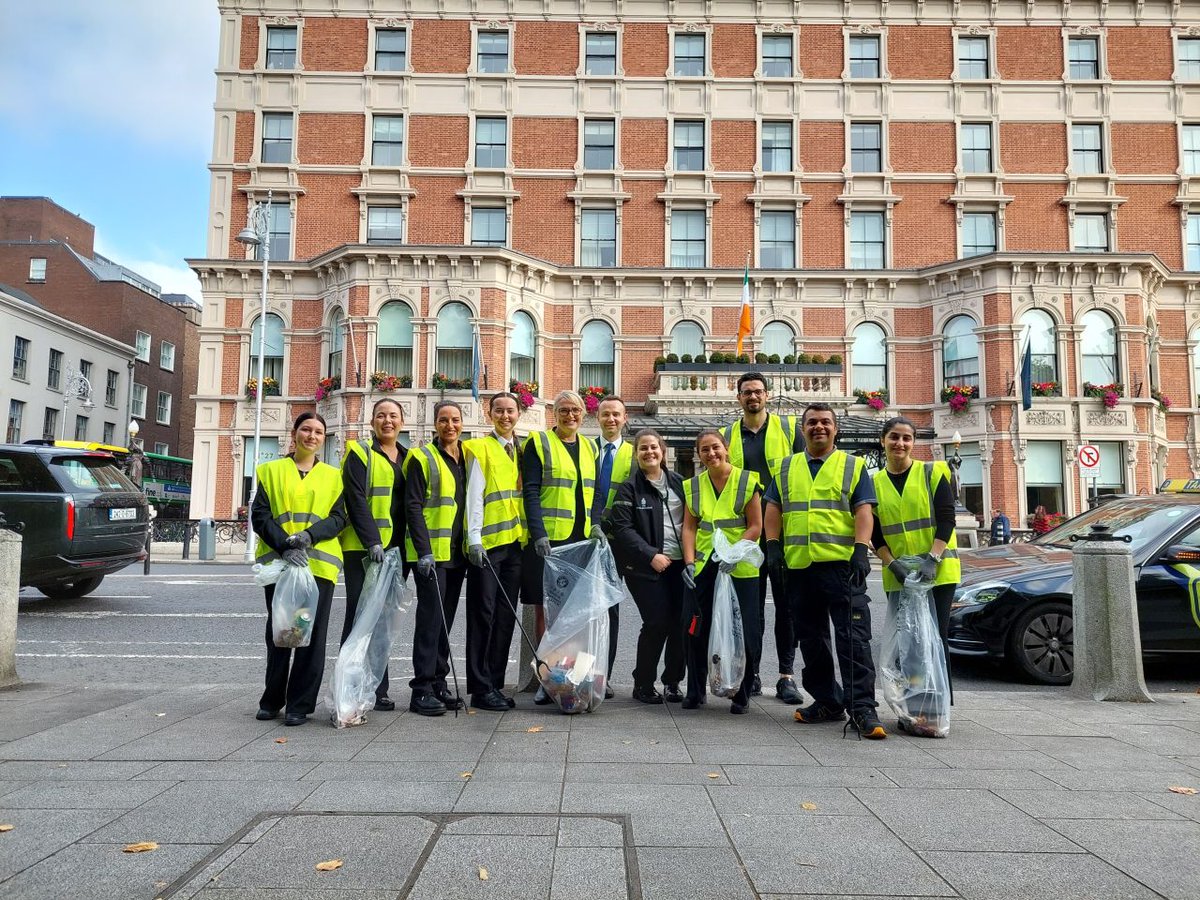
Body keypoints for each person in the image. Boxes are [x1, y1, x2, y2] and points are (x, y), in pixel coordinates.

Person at [764, 402, 886, 739]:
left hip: (841, 566)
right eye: (812, 422)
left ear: (836, 429)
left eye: (826, 422)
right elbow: (773, 507)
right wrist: (772, 544)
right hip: (800, 566)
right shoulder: (786, 467)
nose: (819, 427)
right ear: (803, 429)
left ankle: (862, 708)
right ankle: (828, 701)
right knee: (811, 640)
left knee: (853, 639)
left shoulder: (852, 465)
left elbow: (864, 510)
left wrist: (860, 549)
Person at [252, 411, 347, 727]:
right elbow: (261, 516)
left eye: (318, 431)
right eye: (306, 429)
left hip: (318, 566)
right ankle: (272, 700)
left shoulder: (334, 476)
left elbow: (339, 518)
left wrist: (308, 537)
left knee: (311, 636)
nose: (312, 436)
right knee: (281, 633)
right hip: (280, 564)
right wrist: (286, 546)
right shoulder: (270, 471)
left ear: (323, 438)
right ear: (294, 433)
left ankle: (299, 705)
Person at [869, 416, 959, 734]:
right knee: (907, 645)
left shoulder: (933, 472)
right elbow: (875, 533)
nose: (900, 443)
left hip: (938, 573)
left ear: (913, 443)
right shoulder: (875, 482)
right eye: (894, 437)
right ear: (883, 441)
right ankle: (912, 708)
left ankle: (934, 711)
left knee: (934, 640)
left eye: (907, 438)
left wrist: (932, 558)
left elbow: (947, 519)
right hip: (899, 575)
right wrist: (891, 563)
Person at [721, 372, 803, 704]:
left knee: (786, 608)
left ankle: (786, 676)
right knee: (750, 610)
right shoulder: (727, 435)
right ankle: (751, 673)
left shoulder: (789, 429)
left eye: (758, 391)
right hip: (747, 535)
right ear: (738, 398)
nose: (752, 397)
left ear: (767, 395)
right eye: (746, 392)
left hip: (782, 535)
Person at [521, 390, 600, 704]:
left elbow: (594, 492)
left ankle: (572, 675)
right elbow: (530, 491)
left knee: (574, 614)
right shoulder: (539, 443)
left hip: (580, 540)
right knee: (547, 610)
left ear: (583, 414)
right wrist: (538, 532)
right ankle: (547, 677)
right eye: (564, 410)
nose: (570, 416)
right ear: (554, 414)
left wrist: (596, 525)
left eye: (575, 410)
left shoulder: (590, 447)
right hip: (549, 542)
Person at [680, 428, 763, 714]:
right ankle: (695, 691)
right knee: (695, 628)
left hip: (739, 566)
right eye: (704, 449)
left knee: (746, 630)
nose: (711, 453)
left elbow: (755, 526)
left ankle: (742, 693)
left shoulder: (746, 481)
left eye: (715, 447)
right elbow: (689, 527)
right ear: (698, 455)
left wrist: (734, 553)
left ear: (726, 448)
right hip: (704, 565)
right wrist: (688, 562)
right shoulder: (693, 486)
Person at [606, 428, 687, 704]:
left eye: (653, 447)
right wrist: (651, 554)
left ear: (662, 451)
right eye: (643, 448)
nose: (649, 452)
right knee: (656, 622)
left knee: (680, 623)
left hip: (680, 565)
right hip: (644, 567)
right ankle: (643, 683)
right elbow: (622, 528)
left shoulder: (679, 483)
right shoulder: (629, 488)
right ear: (636, 454)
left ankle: (673, 682)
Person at [338, 397, 407, 712]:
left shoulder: (408, 457)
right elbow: (355, 499)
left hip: (395, 551)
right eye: (381, 415)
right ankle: (349, 689)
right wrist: (372, 541)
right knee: (359, 618)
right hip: (364, 551)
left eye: (393, 416)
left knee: (383, 621)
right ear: (372, 422)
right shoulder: (360, 452)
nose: (387, 421)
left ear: (402, 422)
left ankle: (378, 689)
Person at [404, 401, 469, 716]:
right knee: (430, 621)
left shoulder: (467, 458)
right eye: (443, 420)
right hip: (431, 554)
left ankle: (439, 683)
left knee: (446, 621)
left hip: (457, 553)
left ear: (462, 423)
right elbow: (413, 506)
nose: (450, 425)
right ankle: (421, 689)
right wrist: (424, 550)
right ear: (435, 424)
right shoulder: (422, 457)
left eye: (455, 420)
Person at [463, 392, 525, 712]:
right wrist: (474, 538)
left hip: (515, 545)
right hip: (487, 546)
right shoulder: (481, 448)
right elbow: (475, 496)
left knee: (504, 616)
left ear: (519, 414)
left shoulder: (523, 450)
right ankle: (480, 687)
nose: (505, 416)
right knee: (483, 615)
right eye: (498, 411)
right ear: (490, 415)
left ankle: (495, 684)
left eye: (510, 411)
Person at [592, 394, 633, 696]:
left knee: (610, 610)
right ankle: (577, 671)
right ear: (598, 417)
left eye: (616, 414)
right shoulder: (585, 449)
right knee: (581, 611)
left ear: (624, 418)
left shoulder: (633, 453)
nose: (611, 419)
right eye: (606, 414)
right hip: (586, 538)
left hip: (618, 542)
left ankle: (602, 675)